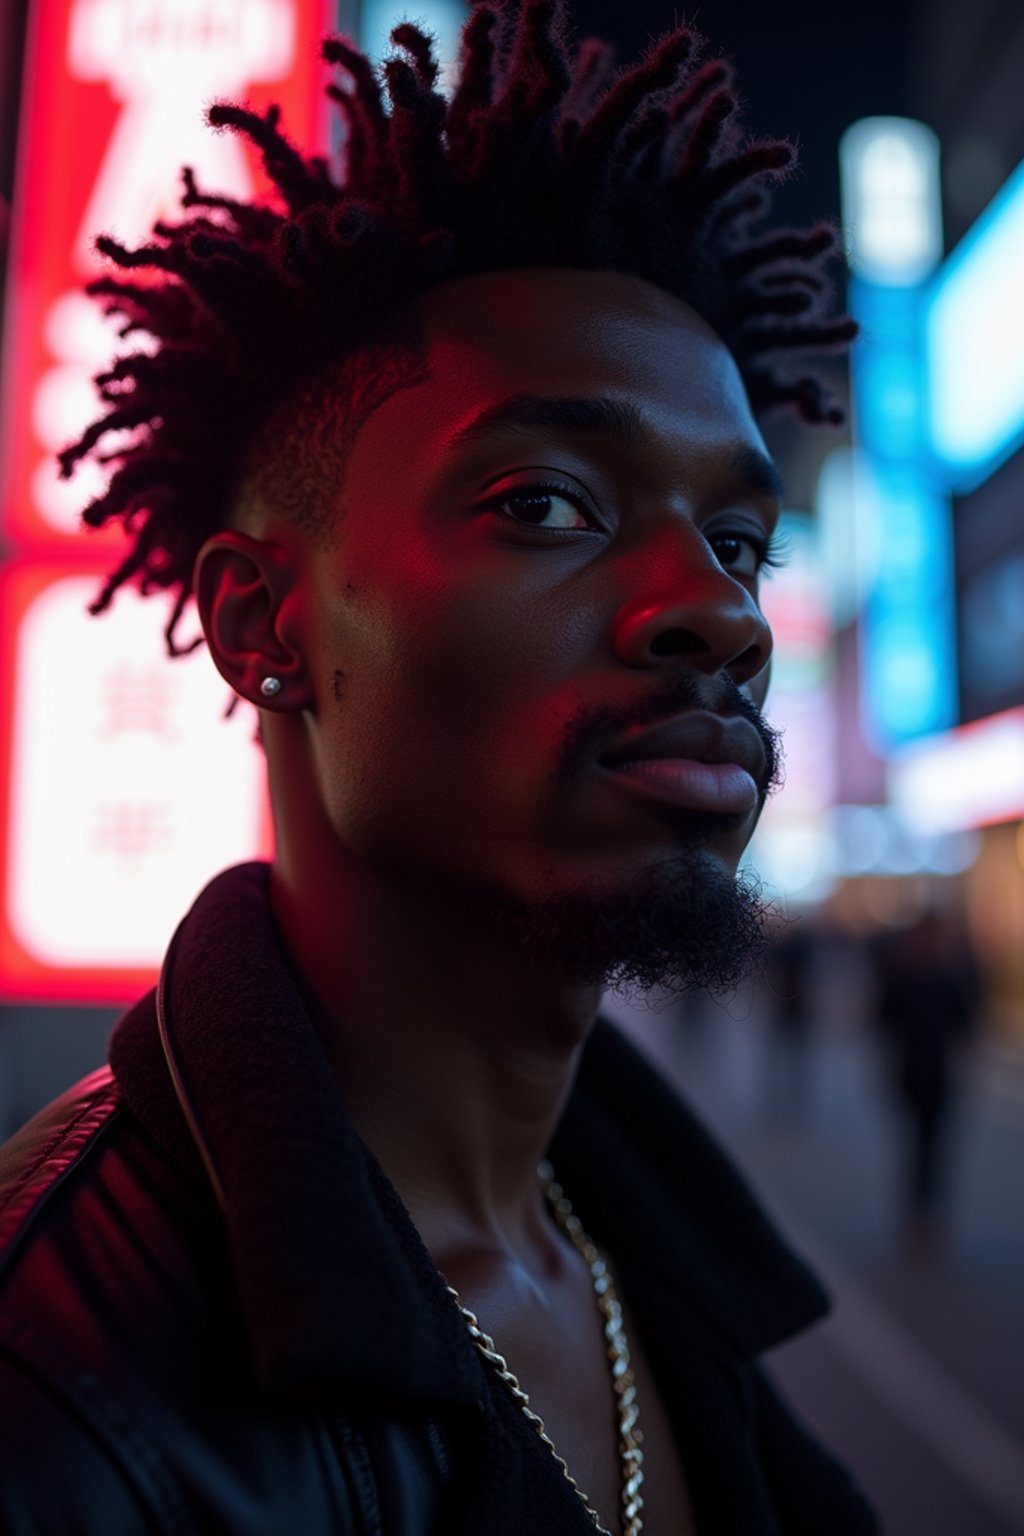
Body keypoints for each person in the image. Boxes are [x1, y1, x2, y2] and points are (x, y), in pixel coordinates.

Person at [0, 4, 878, 1532]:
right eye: (546, 505)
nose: (722, 616)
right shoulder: (55, 1394)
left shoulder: (642, 1259)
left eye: (739, 543)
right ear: (261, 624)